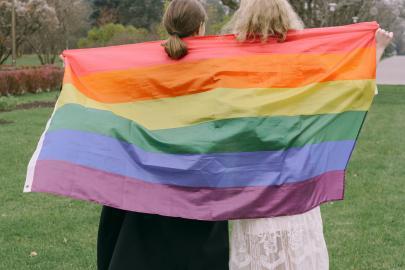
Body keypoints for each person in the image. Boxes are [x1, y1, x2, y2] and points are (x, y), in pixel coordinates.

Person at [222, 1, 394, 269]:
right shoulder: (302, 62)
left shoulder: (229, 64)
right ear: (285, 17)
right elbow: (348, 91)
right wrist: (378, 48)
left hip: (251, 187)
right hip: (296, 184)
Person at [96, 1, 229, 269]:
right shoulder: (215, 70)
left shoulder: (143, 69)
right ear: (201, 27)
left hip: (149, 177)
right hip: (197, 180)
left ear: (167, 25)